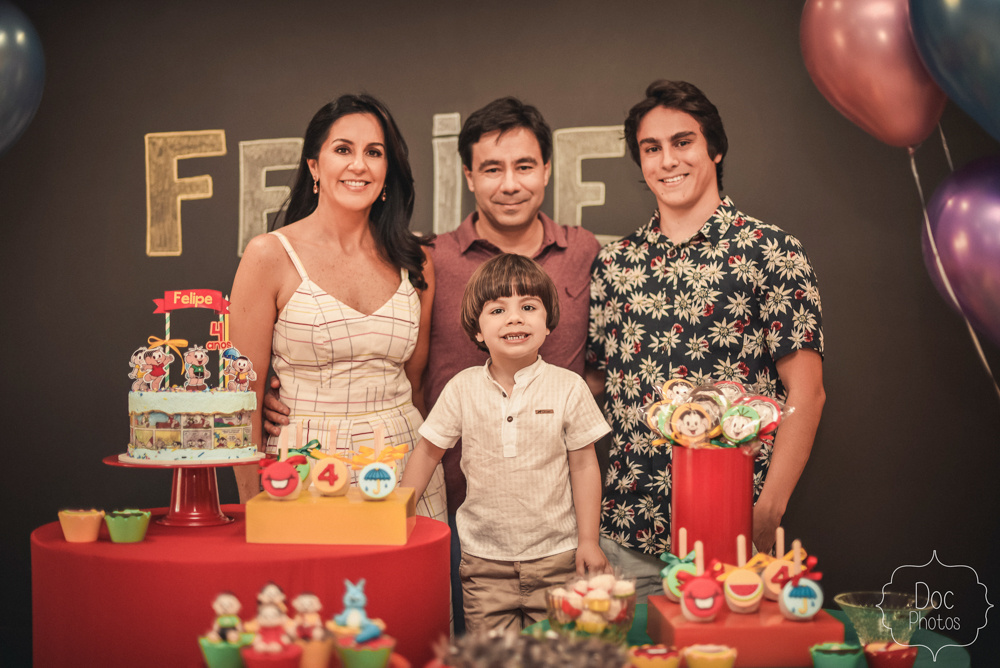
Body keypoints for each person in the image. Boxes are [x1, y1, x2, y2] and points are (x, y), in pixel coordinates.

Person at [264, 96, 601, 632]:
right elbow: (406, 370)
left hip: (554, 523)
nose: (509, 184)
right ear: (468, 175)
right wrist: (274, 390)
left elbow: (607, 361)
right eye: (491, 168)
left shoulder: (585, 251)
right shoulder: (430, 257)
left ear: (547, 169)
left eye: (524, 166)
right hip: (461, 510)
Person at [587, 80, 826, 601]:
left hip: (735, 531)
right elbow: (595, 385)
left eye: (683, 142)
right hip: (628, 534)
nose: (668, 160)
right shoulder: (614, 264)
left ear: (714, 148)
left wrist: (768, 509)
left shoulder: (771, 251)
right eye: (652, 148)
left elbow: (806, 393)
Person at [228, 94, 446, 520]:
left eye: (374, 152)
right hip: (303, 470)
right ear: (314, 165)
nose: (359, 165)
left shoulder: (415, 259)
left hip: (404, 467)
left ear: (388, 169)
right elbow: (243, 397)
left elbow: (415, 383)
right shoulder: (270, 255)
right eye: (343, 149)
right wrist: (252, 508)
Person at [401, 253, 611, 633]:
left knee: (555, 655)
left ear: (548, 322)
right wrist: (398, 513)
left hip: (558, 558)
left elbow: (584, 465)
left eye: (528, 307)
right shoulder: (462, 388)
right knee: (493, 656)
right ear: (477, 330)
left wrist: (588, 541)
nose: (515, 318)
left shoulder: (569, 387)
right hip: (483, 562)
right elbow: (429, 452)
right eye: (498, 310)